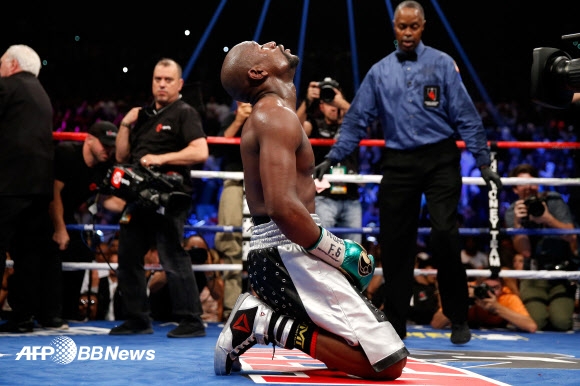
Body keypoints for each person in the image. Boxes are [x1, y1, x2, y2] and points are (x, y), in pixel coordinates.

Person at [216, 40, 408, 380]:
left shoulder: (276, 114)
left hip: (285, 252)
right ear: (257, 72)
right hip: (290, 253)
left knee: (353, 349)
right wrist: (339, 252)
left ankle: (267, 321)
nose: (272, 43)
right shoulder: (273, 116)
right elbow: (280, 206)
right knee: (389, 362)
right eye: (261, 46)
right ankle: (266, 323)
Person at [313, 0, 502, 344]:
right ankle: (396, 324)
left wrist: (483, 160)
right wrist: (335, 156)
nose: (408, 33)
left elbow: (465, 115)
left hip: (440, 157)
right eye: (402, 27)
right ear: (394, 27)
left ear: (423, 26)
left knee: (445, 233)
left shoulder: (443, 65)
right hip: (399, 160)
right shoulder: (380, 71)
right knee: (396, 243)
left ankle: (458, 317)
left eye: (414, 26)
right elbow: (357, 119)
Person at [110, 58, 209, 338]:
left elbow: (200, 151)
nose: (162, 84)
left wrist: (161, 158)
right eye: (157, 79)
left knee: (172, 255)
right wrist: (125, 125)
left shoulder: (184, 112)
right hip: (139, 194)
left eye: (168, 80)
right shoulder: (141, 115)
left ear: (179, 84)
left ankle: (192, 321)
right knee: (128, 254)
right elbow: (120, 157)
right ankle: (137, 319)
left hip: (170, 196)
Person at [0, 45, 60, 333]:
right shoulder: (42, 94)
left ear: (12, 65)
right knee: (27, 254)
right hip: (38, 186)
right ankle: (22, 317)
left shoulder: (8, 85)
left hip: (8, 184)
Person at [49, 120, 121, 322]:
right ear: (89, 140)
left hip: (68, 214)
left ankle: (69, 312)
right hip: (42, 210)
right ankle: (48, 313)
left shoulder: (104, 165)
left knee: (81, 252)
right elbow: (53, 193)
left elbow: (109, 201)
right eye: (104, 144)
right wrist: (59, 228)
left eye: (111, 145)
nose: (108, 149)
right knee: (51, 255)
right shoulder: (67, 153)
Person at [504, 163, 577, 331]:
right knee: (537, 323)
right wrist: (518, 224)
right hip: (534, 274)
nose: (528, 187)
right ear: (515, 189)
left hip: (561, 272)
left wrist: (547, 218)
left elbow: (571, 236)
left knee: (562, 323)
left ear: (537, 183)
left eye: (532, 182)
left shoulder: (553, 200)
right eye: (522, 184)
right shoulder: (513, 211)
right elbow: (525, 251)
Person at [298, 79, 363, 243]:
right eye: (329, 101)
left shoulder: (351, 127)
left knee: (354, 251)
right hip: (323, 197)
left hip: (351, 197)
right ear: (321, 106)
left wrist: (342, 102)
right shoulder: (314, 124)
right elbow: (294, 129)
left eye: (335, 99)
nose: (333, 106)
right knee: (324, 247)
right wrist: (307, 101)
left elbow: (364, 120)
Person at [213, 101, 251, 320]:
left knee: (267, 246)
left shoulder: (271, 116)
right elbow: (217, 148)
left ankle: (266, 310)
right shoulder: (230, 119)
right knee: (230, 241)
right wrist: (239, 119)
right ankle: (231, 310)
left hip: (264, 184)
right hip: (234, 182)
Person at [430, 275, 538, 333]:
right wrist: (462, 302)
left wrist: (497, 308)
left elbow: (531, 326)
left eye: (495, 288)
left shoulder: (506, 296)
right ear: (477, 285)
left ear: (502, 287)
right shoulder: (467, 290)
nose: (490, 292)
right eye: (486, 287)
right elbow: (436, 323)